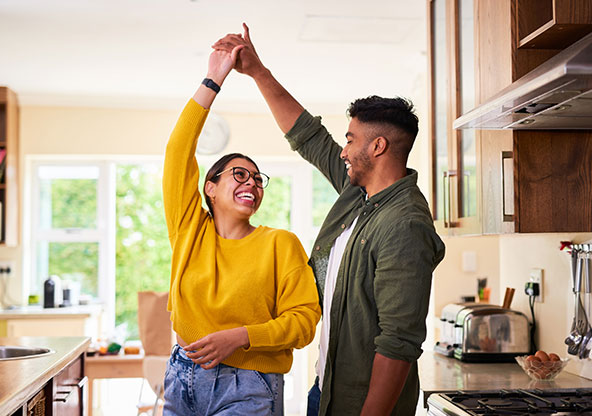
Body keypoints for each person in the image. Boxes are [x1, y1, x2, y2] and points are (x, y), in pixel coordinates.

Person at [213, 24, 446, 416]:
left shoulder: (404, 224)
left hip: (360, 405)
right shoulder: (361, 194)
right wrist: (257, 71)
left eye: (351, 139)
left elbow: (398, 343)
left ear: (378, 146)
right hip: (327, 390)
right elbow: (309, 137)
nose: (343, 150)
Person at [162, 42, 321, 416]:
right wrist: (214, 79)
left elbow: (303, 322)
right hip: (182, 375)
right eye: (239, 174)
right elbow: (177, 153)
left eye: (257, 178)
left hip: (249, 385)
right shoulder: (189, 231)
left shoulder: (280, 244)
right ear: (210, 188)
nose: (252, 182)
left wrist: (241, 337)